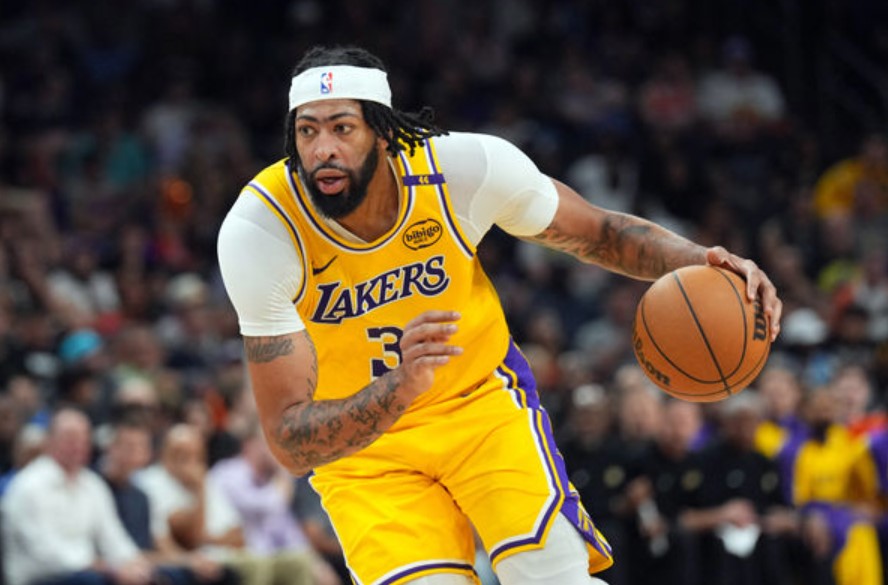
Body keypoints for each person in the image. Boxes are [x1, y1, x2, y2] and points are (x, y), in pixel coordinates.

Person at [216, 45, 783, 585]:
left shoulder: (462, 169)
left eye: (342, 128)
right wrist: (399, 387)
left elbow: (599, 233)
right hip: (365, 454)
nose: (322, 149)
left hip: (481, 409)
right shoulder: (261, 231)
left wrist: (707, 262)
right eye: (307, 131)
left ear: (383, 133)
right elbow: (289, 441)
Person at [1, 408, 154, 585]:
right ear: (49, 441)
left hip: (88, 572)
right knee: (94, 580)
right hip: (40, 578)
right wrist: (102, 567)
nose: (78, 445)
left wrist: (134, 563)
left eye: (84, 438)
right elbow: (44, 552)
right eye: (70, 438)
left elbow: (113, 536)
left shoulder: (93, 484)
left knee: (163, 575)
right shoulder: (28, 486)